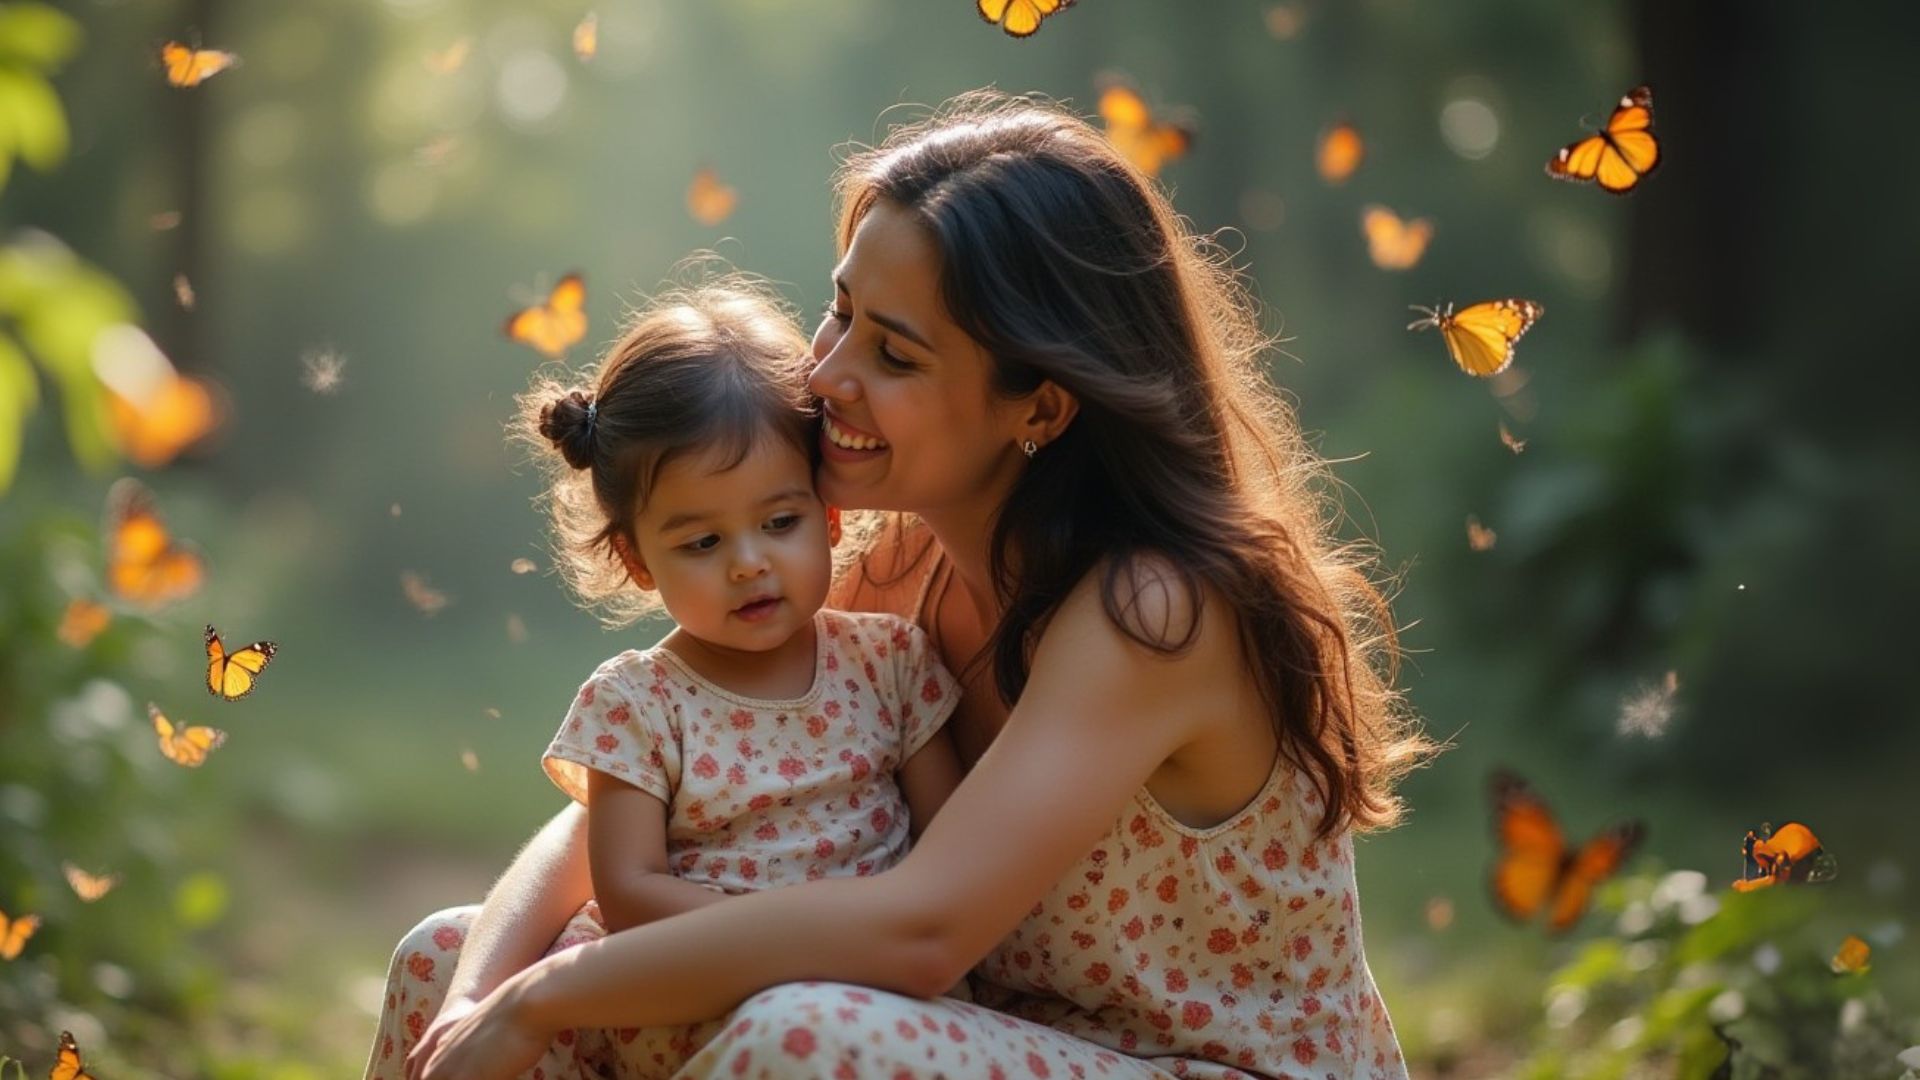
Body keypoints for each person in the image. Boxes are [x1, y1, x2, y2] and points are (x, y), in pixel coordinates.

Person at [398, 88, 1434, 1080]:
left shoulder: (1152, 611)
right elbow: (633, 804)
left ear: (1040, 405)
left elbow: (923, 932)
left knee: (802, 1033)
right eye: (839, 311)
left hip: (1181, 1068)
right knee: (444, 954)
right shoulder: (893, 572)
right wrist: (479, 996)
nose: (828, 375)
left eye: (893, 354)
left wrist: (550, 996)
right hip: (964, 1040)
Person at [363, 282, 964, 1079]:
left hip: (846, 1002)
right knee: (434, 949)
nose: (749, 562)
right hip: (666, 996)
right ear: (637, 560)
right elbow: (630, 892)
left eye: (779, 524)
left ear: (829, 520)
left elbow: (950, 852)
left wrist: (829, 955)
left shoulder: (890, 663)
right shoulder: (637, 701)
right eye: (703, 541)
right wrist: (773, 940)